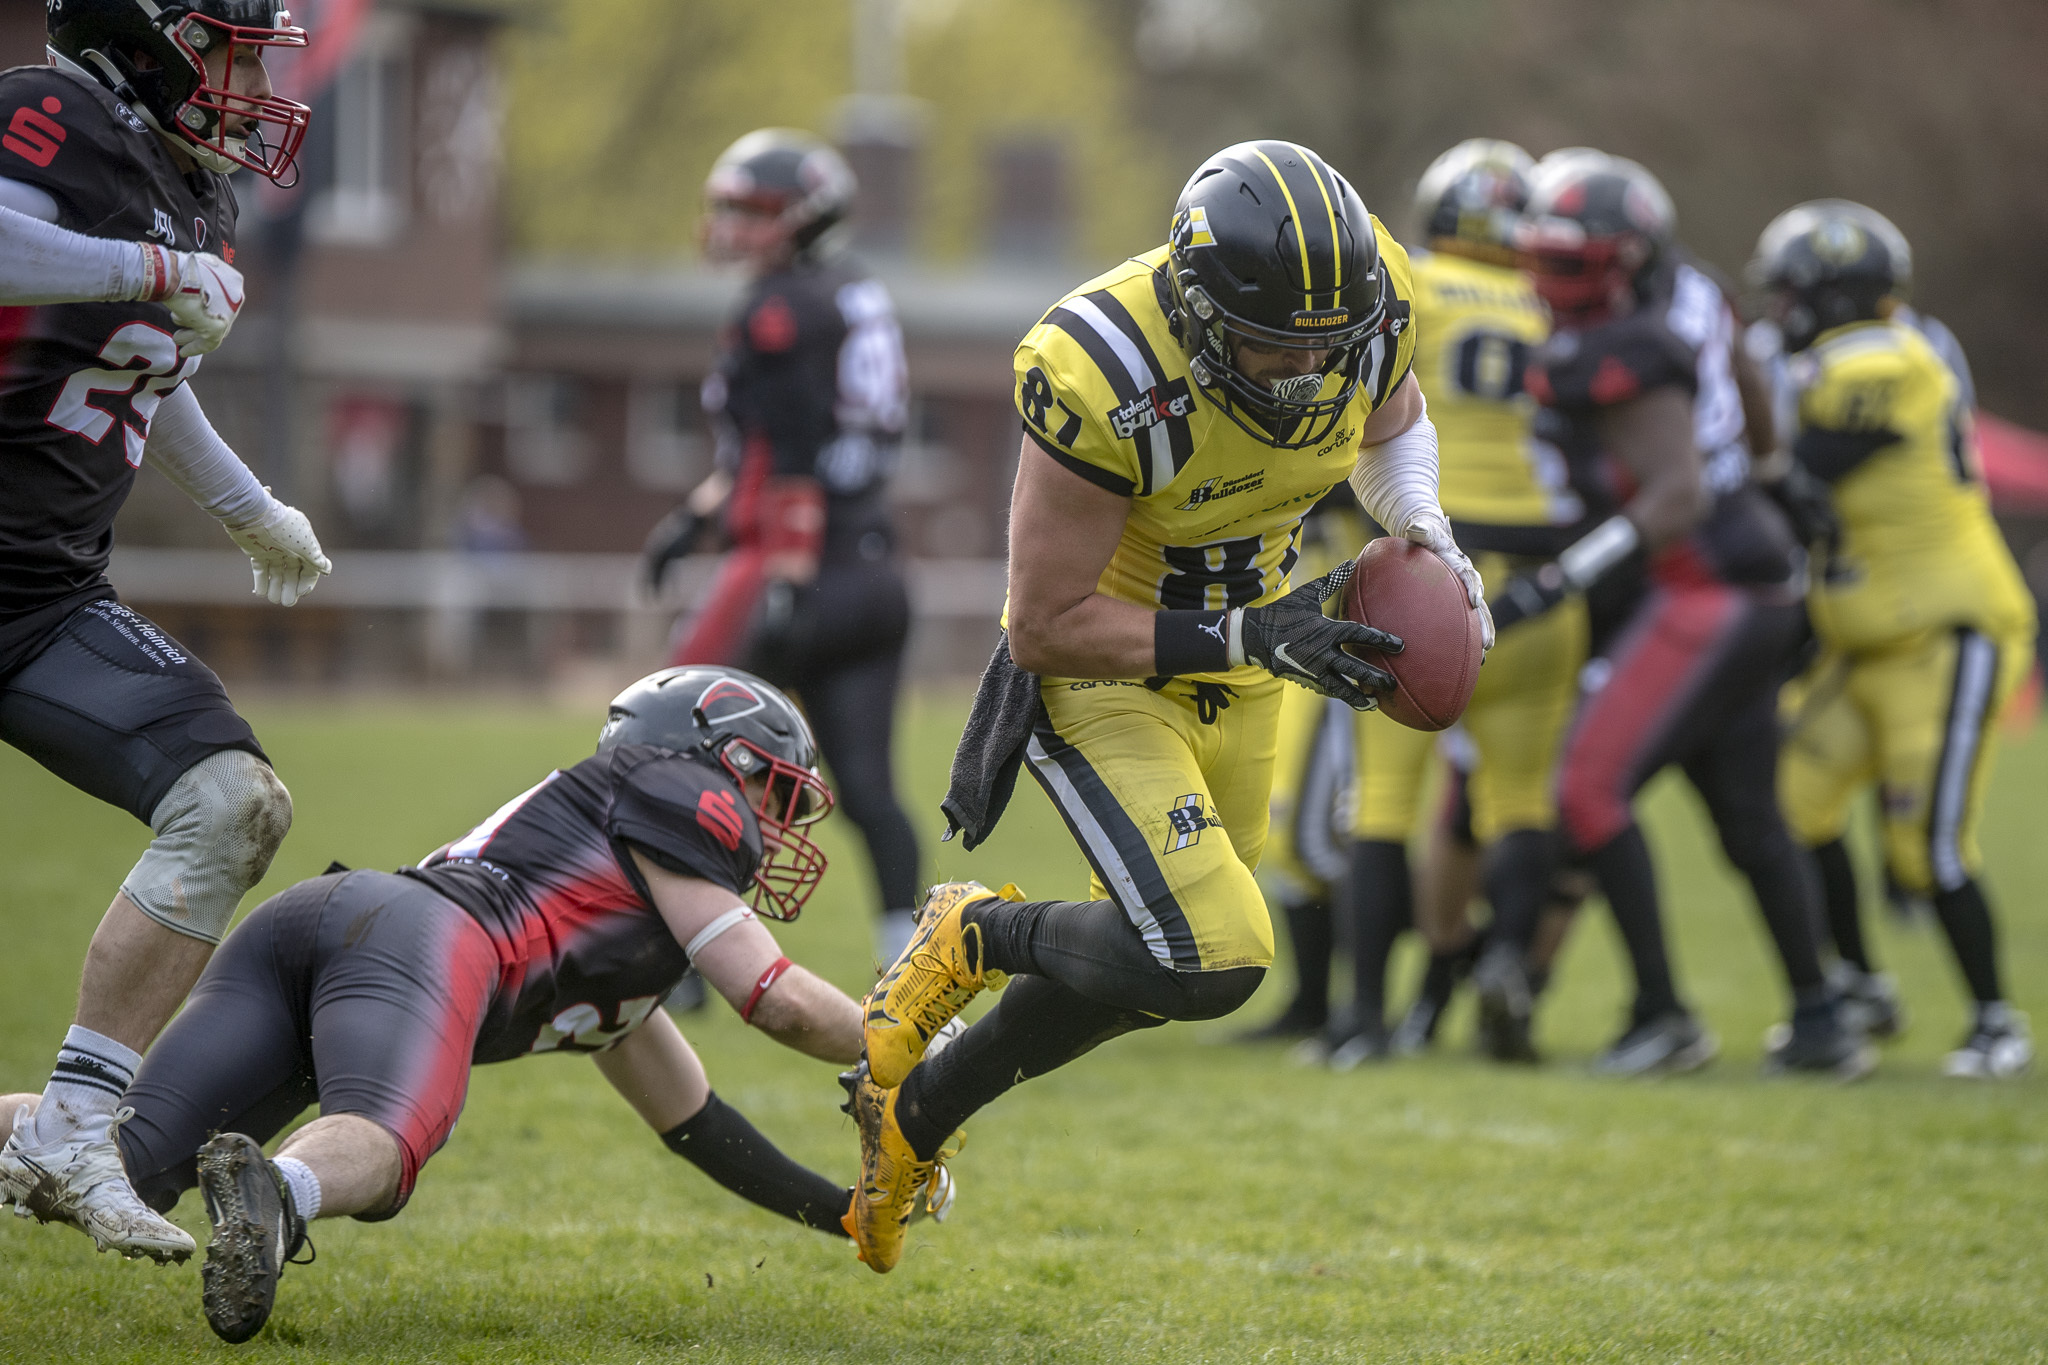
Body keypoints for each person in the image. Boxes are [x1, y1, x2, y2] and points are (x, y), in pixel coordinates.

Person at [843, 139, 1493, 1273]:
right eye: (1268, 346)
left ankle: (912, 1119)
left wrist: (1421, 526)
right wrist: (1250, 630)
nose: (1299, 374)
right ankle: (974, 931)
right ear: (1194, 310)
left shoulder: (1365, 294)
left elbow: (1389, 433)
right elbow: (1041, 622)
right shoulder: (1102, 365)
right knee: (1211, 954)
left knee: (1154, 968)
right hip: (1107, 665)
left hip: (1250, 654)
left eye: (1319, 350)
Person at [1, 667, 927, 1343]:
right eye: (769, 789)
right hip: (425, 943)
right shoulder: (674, 792)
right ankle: (278, 1193)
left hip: (322, 925)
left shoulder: (623, 940)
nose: (772, 826)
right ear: (705, 759)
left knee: (108, 1159)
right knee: (390, 1133)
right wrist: (923, 1037)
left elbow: (695, 1124)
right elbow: (777, 1003)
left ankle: (214, 1177)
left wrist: (844, 1211)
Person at [0, 0, 332, 1264]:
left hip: (42, 597)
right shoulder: (55, 112)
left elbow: (148, 367)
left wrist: (254, 512)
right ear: (148, 36)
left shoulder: (188, 191)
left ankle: (71, 1129)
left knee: (233, 798)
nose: (253, 82)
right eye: (233, 48)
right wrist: (141, 270)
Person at [1497, 149, 1865, 1077]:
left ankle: (1663, 1015)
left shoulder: (1623, 347)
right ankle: (1822, 1018)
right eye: (1540, 257)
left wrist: (1561, 580)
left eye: (1572, 262)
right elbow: (1750, 400)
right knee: (1746, 815)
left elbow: (1674, 495)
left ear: (1627, 262)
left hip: (1705, 585)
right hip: (1744, 575)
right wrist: (1778, 481)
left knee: (1587, 790)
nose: (1550, 282)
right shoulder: (1688, 303)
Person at [1755, 201, 2036, 1078]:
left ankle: (1997, 1020)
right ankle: (1861, 985)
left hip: (1945, 635)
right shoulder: (1849, 355)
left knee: (1929, 848)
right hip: (1860, 645)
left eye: (1793, 294)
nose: (1780, 312)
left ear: (1834, 296)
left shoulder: (1888, 355)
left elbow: (1805, 457)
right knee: (1790, 806)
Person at [1328, 138, 1587, 1067]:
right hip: (1548, 579)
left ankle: (1362, 1019)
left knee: (1384, 806)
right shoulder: (1555, 305)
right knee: (1520, 798)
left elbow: (1363, 422)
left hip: (1430, 566)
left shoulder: (1414, 288)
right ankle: (1505, 979)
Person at [644, 129, 924, 968]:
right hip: (873, 565)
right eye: (730, 207)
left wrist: (785, 572)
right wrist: (695, 518)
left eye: (756, 211)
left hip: (795, 562)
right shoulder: (849, 291)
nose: (734, 225)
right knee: (869, 790)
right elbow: (773, 450)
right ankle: (903, 958)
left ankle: (680, 960)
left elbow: (788, 451)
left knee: (664, 751)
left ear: (805, 219)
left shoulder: (778, 308)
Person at [1229, 487, 1366, 1045]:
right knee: (1281, 828)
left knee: (1312, 840)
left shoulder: (1369, 411)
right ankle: (1312, 1002)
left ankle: (1420, 962)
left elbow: (1363, 480)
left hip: (1344, 614)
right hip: (1292, 609)